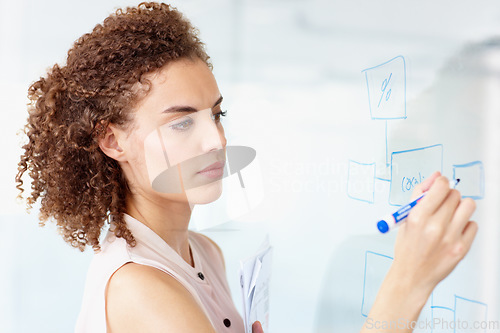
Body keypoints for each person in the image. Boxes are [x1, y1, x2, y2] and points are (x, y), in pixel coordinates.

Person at [15, 2, 477, 333]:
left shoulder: (204, 253)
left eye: (216, 114)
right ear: (112, 140)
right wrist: (409, 282)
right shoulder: (140, 288)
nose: (216, 140)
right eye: (181, 124)